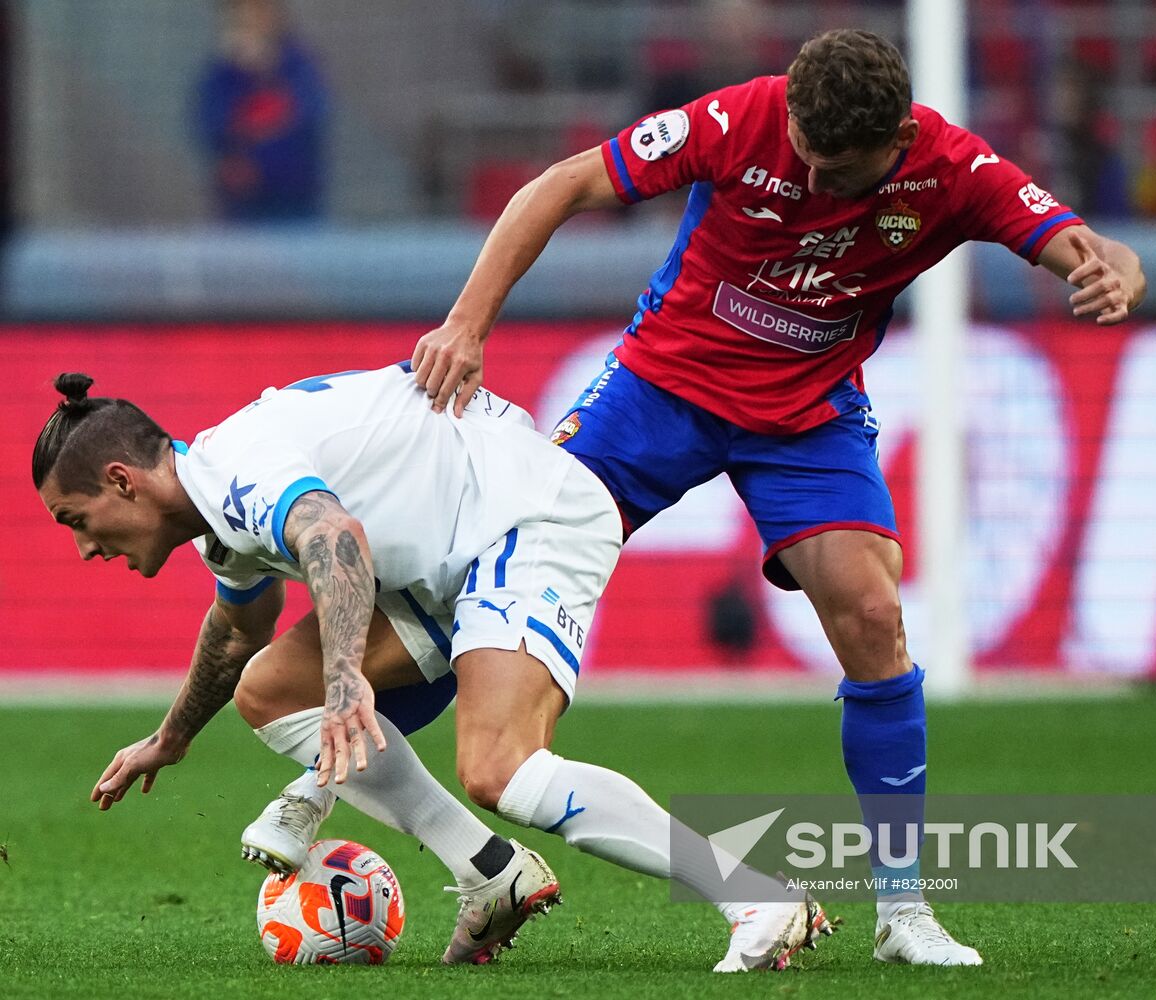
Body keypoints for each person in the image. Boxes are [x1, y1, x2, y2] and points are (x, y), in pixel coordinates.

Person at [409, 28, 1147, 967]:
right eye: (798, 148)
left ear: (895, 147)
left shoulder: (956, 169)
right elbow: (560, 185)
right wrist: (466, 325)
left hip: (806, 415)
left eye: (833, 168)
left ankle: (905, 915)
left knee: (874, 612)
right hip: (659, 392)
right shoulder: (739, 118)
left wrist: (1112, 271)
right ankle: (387, 776)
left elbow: (1089, 244)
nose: (804, 172)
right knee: (483, 574)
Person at [33, 365, 830, 972]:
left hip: (522, 518)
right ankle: (490, 874)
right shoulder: (219, 510)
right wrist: (170, 739)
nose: (84, 548)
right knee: (272, 692)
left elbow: (334, 535)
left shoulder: (237, 470)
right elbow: (237, 630)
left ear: (121, 480)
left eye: (78, 521)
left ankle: (752, 891)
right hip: (447, 562)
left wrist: (347, 673)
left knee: (501, 770)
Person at [196, 0, 328, 222]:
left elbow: (305, 118)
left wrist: (265, 71)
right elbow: (214, 128)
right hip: (241, 210)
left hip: (296, 204)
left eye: (258, 13)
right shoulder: (220, 76)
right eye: (241, 18)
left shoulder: (300, 68)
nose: (252, 23)